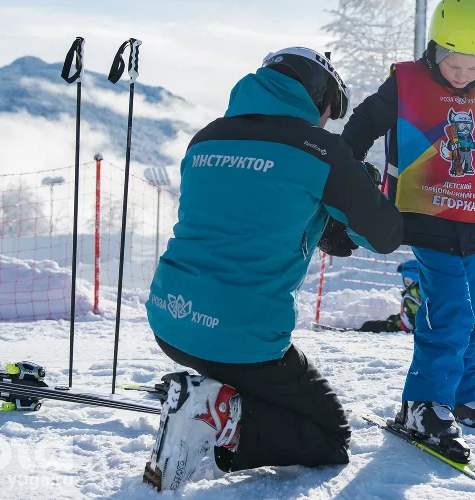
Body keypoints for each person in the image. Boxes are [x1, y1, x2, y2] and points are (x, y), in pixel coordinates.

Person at [142, 47, 403, 491]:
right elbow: (384, 235)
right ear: (319, 96)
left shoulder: (206, 138)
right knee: (331, 434)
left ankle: (206, 393)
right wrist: (362, 185)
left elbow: (257, 212)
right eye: (329, 111)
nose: (326, 122)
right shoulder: (321, 150)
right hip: (241, 338)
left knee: (250, 371)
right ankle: (221, 418)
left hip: (170, 321)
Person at [342, 0, 475, 442]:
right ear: (433, 50)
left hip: (472, 229)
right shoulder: (407, 84)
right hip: (425, 219)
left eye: (474, 65)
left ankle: (463, 397)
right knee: (451, 314)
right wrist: (344, 161)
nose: (462, 74)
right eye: (452, 63)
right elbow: (366, 120)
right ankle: (423, 405)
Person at [359, 260, 422, 333]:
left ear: (410, 279)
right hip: (403, 326)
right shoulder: (422, 292)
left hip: (402, 328)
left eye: (405, 279)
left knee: (368, 326)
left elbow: (413, 323)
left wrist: (395, 324)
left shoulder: (413, 295)